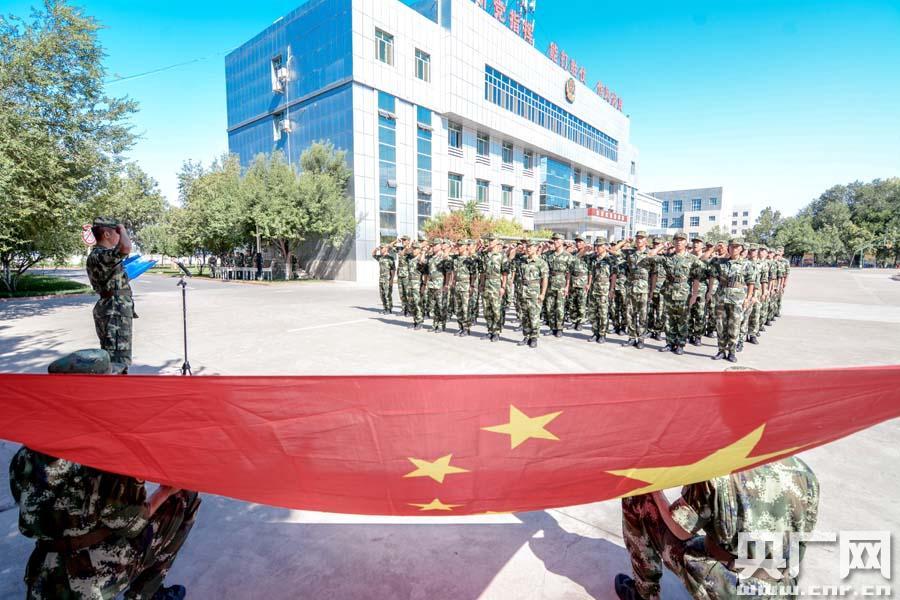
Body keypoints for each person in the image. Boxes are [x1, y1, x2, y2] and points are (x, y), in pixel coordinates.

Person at [9, 349, 200, 600]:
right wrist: (165, 492)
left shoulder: (27, 452)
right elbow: (131, 524)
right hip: (91, 575)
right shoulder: (105, 451)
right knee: (184, 497)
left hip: (43, 573)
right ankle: (145, 594)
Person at [614, 455, 819, 600]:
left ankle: (645, 594)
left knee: (638, 497)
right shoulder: (804, 472)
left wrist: (655, 491)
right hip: (782, 587)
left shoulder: (717, 471)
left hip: (734, 587)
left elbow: (679, 530)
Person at [86, 217, 136, 372]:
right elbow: (126, 247)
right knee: (118, 361)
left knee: (112, 356)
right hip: (114, 311)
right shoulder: (101, 254)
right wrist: (123, 228)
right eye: (117, 232)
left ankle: (114, 383)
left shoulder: (101, 256)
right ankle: (117, 385)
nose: (119, 235)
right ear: (107, 234)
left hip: (112, 309)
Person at [651, 232, 704, 355]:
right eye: (676, 240)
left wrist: (694, 295)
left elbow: (696, 278)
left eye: (682, 240)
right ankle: (670, 342)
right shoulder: (668, 257)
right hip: (669, 292)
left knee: (683, 320)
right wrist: (662, 246)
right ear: (673, 242)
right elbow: (651, 255)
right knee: (669, 319)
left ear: (686, 242)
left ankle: (680, 344)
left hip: (684, 293)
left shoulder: (692, 259)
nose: (679, 242)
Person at [710, 239, 755, 363]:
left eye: (736, 247)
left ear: (741, 249)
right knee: (720, 325)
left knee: (734, 326)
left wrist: (748, 298)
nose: (734, 249)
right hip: (721, 297)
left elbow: (751, 282)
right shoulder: (720, 262)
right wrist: (714, 248)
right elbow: (707, 263)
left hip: (737, 299)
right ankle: (721, 351)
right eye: (731, 246)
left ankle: (732, 352)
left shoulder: (746, 264)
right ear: (728, 248)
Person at [616, 231, 653, 348]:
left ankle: (641, 339)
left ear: (646, 240)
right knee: (630, 314)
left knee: (643, 315)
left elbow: (654, 274)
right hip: (630, 287)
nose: (639, 240)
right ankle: (632, 337)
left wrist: (652, 291)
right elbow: (614, 250)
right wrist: (625, 241)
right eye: (637, 238)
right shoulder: (630, 252)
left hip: (644, 289)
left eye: (642, 238)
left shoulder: (650, 254)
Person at [517, 240, 549, 348]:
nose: (528, 248)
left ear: (536, 248)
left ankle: (534, 337)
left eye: (531, 247)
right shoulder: (523, 261)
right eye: (527, 247)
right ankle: (526, 336)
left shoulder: (541, 263)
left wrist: (543, 293)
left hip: (535, 292)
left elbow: (545, 279)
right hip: (523, 291)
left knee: (534, 315)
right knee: (525, 316)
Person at [586, 237, 617, 343]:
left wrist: (612, 289)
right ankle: (595, 332)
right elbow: (591, 272)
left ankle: (602, 334)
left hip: (604, 290)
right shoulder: (594, 258)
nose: (597, 248)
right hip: (594, 289)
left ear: (604, 247)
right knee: (593, 312)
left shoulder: (610, 259)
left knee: (603, 313)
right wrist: (589, 284)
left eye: (599, 246)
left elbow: (614, 275)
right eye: (596, 246)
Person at [480, 234, 509, 342]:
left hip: (496, 284)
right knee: (487, 310)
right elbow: (482, 272)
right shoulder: (485, 255)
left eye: (492, 240)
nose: (490, 242)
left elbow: (505, 273)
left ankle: (496, 332)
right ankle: (490, 330)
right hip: (486, 284)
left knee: (496, 310)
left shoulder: (502, 256)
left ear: (497, 241)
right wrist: (481, 284)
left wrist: (503, 287)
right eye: (489, 240)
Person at [544, 233, 572, 337]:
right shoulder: (549, 255)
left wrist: (567, 286)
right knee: (550, 307)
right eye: (554, 240)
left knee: (560, 308)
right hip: (550, 283)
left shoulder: (568, 256)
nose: (555, 242)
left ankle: (559, 328)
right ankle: (552, 327)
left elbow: (569, 273)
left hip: (561, 284)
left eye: (557, 240)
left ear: (562, 241)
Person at [424, 239, 452, 332]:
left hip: (440, 284)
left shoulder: (444, 257)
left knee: (441, 306)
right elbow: (427, 271)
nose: (434, 247)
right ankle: (434, 324)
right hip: (432, 284)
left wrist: (446, 285)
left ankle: (441, 325)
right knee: (434, 306)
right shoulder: (431, 258)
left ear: (440, 246)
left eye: (436, 245)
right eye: (433, 245)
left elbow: (448, 272)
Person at [567, 237, 592, 331]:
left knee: (581, 303)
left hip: (583, 281)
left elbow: (590, 271)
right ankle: (574, 321)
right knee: (572, 303)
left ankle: (580, 322)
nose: (578, 244)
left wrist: (589, 283)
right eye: (577, 242)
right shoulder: (573, 254)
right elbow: (569, 269)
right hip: (573, 281)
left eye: (580, 242)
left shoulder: (588, 256)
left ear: (584, 243)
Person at [372, 244, 396, 314]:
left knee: (387, 294)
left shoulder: (390, 258)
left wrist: (392, 279)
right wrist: (376, 249)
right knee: (382, 295)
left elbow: (393, 269)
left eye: (382, 248)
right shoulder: (380, 257)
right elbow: (373, 255)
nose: (381, 249)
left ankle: (389, 309)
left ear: (386, 249)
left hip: (387, 279)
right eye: (380, 248)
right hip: (381, 278)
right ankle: (385, 308)